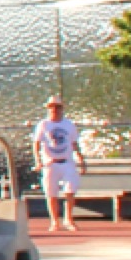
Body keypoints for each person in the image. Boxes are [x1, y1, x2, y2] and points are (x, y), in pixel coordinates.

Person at [32, 96, 88, 233]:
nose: (54, 110)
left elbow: (74, 143)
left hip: (67, 161)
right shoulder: (43, 124)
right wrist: (38, 160)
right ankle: (54, 221)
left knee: (70, 190)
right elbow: (36, 143)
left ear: (61, 109)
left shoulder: (68, 124)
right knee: (51, 193)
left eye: (57, 107)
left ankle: (68, 219)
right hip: (50, 163)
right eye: (51, 107)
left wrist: (81, 159)